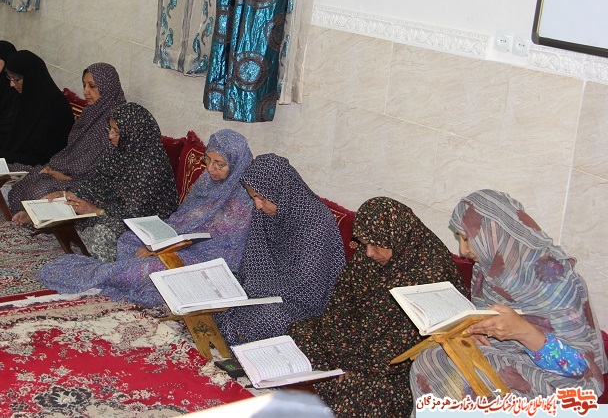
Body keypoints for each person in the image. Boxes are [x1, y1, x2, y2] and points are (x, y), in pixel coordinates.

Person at [410, 189, 607, 402]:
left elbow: (580, 368)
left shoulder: (553, 277)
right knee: (429, 359)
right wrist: (474, 330)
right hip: (504, 354)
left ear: (494, 233)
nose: (463, 250)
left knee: (468, 379)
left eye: (467, 239)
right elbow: (486, 317)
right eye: (459, 238)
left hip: (555, 376)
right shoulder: (487, 267)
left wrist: (523, 331)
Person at [288, 197, 467, 417]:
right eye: (364, 244)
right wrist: (342, 357)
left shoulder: (431, 272)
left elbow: (405, 345)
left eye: (376, 245)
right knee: (300, 330)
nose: (369, 253)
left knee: (360, 394)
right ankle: (332, 383)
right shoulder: (367, 258)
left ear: (397, 236)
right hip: (357, 345)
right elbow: (339, 308)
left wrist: (354, 367)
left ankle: (333, 387)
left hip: (397, 368)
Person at [35, 129, 254, 304]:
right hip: (177, 240)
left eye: (220, 164)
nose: (211, 168)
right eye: (208, 160)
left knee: (152, 266)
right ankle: (129, 273)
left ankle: (102, 274)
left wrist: (160, 249)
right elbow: (183, 217)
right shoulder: (206, 182)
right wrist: (157, 240)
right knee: (129, 239)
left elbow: (222, 245)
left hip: (207, 259)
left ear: (236, 164)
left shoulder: (242, 200)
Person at [214, 153, 345, 345]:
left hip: (299, 302)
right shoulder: (265, 211)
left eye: (261, 198)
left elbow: (308, 287)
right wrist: (245, 289)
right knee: (218, 289)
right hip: (264, 288)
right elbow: (254, 258)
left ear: (281, 191)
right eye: (253, 198)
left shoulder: (317, 222)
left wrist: (259, 293)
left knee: (270, 317)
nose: (258, 205)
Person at [52, 102, 178, 262]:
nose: (110, 136)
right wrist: (69, 194)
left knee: (102, 231)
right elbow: (96, 181)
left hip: (143, 221)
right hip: (114, 209)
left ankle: (103, 264)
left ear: (133, 133)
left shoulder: (150, 165)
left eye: (116, 132)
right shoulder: (119, 150)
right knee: (71, 206)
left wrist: (96, 210)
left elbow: (135, 212)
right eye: (110, 130)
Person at [8, 62, 126, 220]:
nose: (86, 92)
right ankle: (32, 215)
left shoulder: (118, 119)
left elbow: (106, 165)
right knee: (29, 180)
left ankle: (35, 217)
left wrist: (67, 176)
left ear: (107, 87)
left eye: (92, 86)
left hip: (90, 182)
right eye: (84, 85)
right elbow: (73, 149)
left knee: (40, 191)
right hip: (68, 170)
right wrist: (55, 167)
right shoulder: (91, 112)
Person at [0, 50, 74, 166]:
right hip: (25, 153)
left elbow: (43, 151)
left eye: (16, 79)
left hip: (45, 162)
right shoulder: (26, 95)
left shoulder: (54, 104)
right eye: (10, 78)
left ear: (31, 76)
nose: (12, 84)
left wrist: (6, 155)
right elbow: (14, 130)